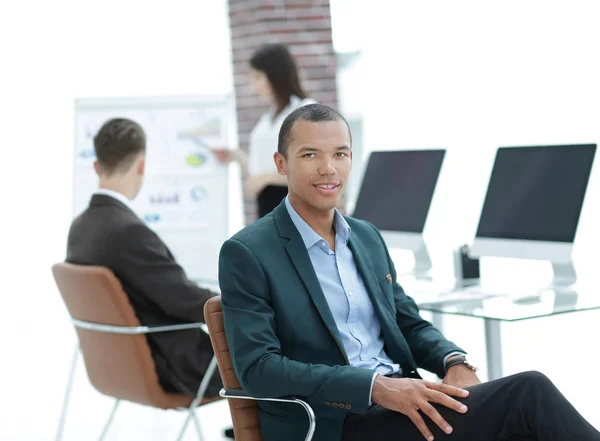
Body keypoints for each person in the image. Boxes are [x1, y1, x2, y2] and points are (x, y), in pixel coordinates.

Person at [218, 104, 600, 441]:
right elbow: (259, 368)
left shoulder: (365, 237)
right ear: (281, 163)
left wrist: (454, 361)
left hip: (404, 402)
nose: (328, 168)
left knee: (523, 429)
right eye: (310, 154)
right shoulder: (248, 251)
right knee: (526, 395)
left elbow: (408, 323)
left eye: (340, 153)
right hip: (334, 422)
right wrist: (374, 387)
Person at [66, 118, 223, 400]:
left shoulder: (79, 229)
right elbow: (185, 300)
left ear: (96, 166)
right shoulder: (128, 232)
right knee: (277, 354)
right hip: (177, 367)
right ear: (141, 166)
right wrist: (244, 302)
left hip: (119, 368)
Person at [214, 43, 316, 218]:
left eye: (258, 77)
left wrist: (266, 179)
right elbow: (259, 167)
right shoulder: (267, 119)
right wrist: (235, 156)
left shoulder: (305, 111)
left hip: (296, 207)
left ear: (275, 76)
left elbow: (312, 168)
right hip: (268, 207)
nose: (253, 84)